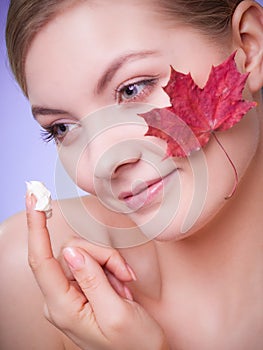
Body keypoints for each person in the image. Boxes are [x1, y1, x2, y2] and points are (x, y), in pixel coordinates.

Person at [1, 0, 263, 349]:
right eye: (62, 128)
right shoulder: (32, 278)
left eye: (133, 88)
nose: (101, 163)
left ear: (249, 45)